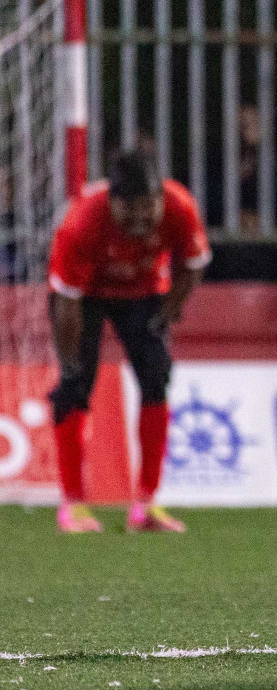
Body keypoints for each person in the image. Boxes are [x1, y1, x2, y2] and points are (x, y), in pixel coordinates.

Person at [48, 150, 211, 533]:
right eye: (130, 207)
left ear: (160, 198)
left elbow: (192, 266)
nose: (140, 216)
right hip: (85, 297)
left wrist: (169, 312)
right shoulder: (81, 222)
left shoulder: (180, 207)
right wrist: (69, 362)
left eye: (147, 206)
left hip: (144, 293)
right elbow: (66, 302)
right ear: (112, 201)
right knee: (74, 388)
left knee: (157, 378)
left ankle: (146, 504)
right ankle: (73, 505)